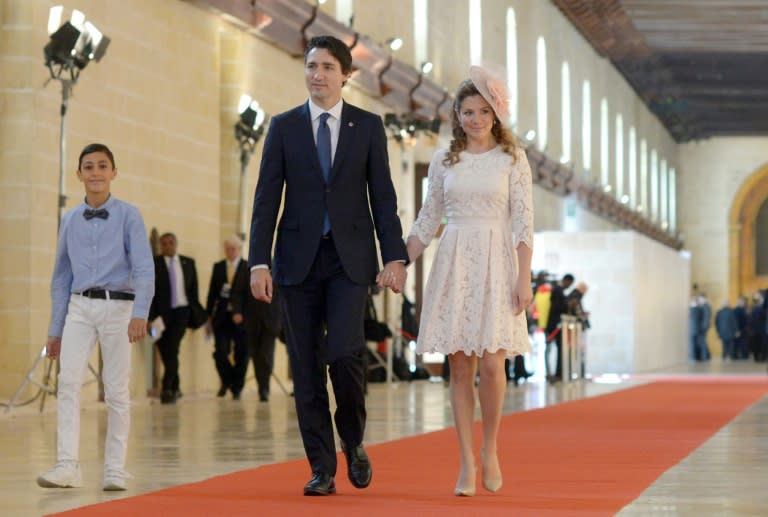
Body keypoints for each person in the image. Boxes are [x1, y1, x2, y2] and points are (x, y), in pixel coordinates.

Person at [248, 35, 408, 496]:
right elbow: (265, 201)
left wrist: (393, 257)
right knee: (305, 366)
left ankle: (353, 439)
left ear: (346, 75)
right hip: (295, 264)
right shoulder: (283, 127)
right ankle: (321, 467)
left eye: (326, 67)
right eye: (311, 65)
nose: (317, 74)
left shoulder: (368, 126)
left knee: (343, 352)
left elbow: (383, 198)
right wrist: (259, 262)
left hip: (349, 262)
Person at [405, 65, 534, 497]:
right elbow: (427, 220)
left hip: (498, 263)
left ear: (495, 113)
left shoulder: (512, 159)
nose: (475, 119)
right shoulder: (444, 160)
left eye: (482, 110)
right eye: (467, 111)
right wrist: (397, 261)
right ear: (457, 115)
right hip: (455, 258)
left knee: (494, 364)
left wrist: (525, 277)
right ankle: (465, 460)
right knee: (459, 366)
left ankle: (491, 448)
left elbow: (523, 223)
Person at [37, 143, 154, 491]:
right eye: (88, 167)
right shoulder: (70, 219)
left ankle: (115, 469)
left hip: (119, 307)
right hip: (79, 307)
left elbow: (144, 268)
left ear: (114, 173)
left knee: (116, 389)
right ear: (79, 174)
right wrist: (55, 330)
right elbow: (60, 277)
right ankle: (66, 465)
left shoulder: (129, 215)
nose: (96, 173)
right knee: (68, 383)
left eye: (103, 166)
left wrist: (140, 312)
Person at [149, 232, 203, 404]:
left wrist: (195, 312)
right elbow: (148, 292)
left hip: (181, 312)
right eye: (164, 244)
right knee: (165, 350)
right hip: (160, 315)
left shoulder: (188, 263)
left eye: (170, 243)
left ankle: (166, 388)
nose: (167, 246)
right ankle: (176, 386)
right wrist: (149, 317)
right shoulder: (154, 263)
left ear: (176, 244)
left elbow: (193, 290)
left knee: (172, 347)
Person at [230, 254, 281, 402]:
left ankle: (264, 388)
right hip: (251, 320)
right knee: (255, 354)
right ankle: (262, 385)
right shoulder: (248, 269)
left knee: (266, 354)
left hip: (272, 320)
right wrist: (237, 311)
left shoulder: (279, 268)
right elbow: (237, 293)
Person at [206, 235, 249, 399]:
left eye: (233, 249)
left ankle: (236, 387)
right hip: (222, 317)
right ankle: (228, 380)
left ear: (239, 250)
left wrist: (243, 314)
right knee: (220, 352)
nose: (230, 252)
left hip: (241, 319)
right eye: (227, 249)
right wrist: (208, 315)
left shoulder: (247, 267)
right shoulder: (218, 267)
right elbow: (212, 293)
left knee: (242, 353)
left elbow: (250, 297)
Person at [545, 273, 575, 382]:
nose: (569, 286)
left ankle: (558, 373)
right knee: (548, 350)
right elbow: (557, 308)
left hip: (556, 325)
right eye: (570, 283)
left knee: (559, 350)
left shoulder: (559, 291)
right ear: (566, 280)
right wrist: (568, 305)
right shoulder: (557, 290)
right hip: (553, 325)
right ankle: (549, 374)